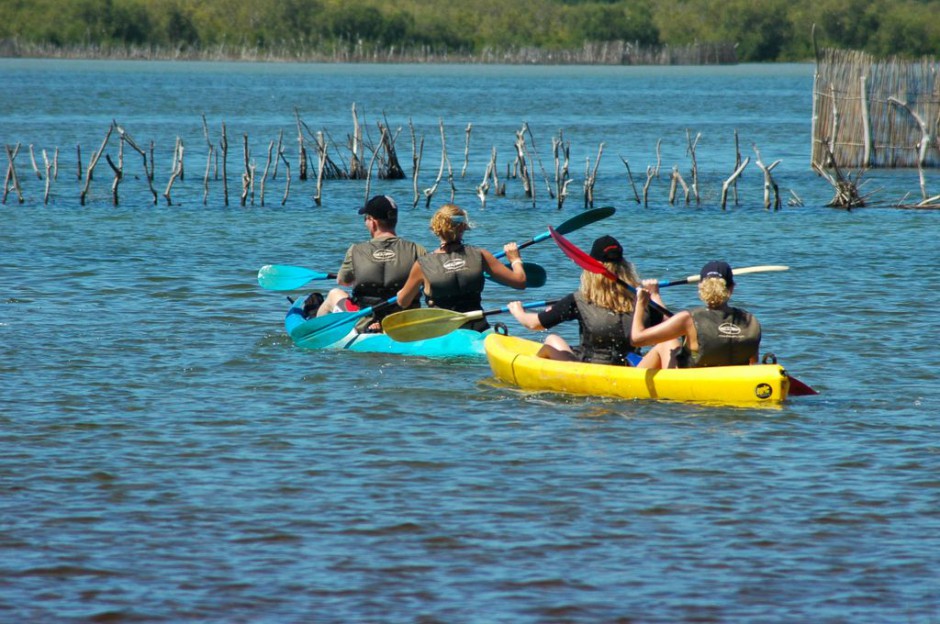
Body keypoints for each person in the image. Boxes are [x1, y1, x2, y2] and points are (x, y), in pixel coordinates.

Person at [507, 234, 666, 365]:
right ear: (625, 267)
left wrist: (518, 311)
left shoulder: (579, 300)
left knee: (551, 340)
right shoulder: (640, 299)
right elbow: (668, 328)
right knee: (666, 345)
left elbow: (534, 324)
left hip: (590, 368)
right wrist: (655, 296)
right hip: (632, 366)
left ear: (590, 268)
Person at [395, 203, 526, 332]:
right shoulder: (480, 255)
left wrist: (404, 292)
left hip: (441, 333)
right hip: (477, 329)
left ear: (436, 228)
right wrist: (515, 260)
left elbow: (403, 302)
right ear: (463, 227)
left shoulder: (423, 264)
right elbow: (520, 281)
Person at [309, 195, 427, 332]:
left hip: (365, 321)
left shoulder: (355, 251)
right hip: (405, 321)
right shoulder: (418, 250)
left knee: (334, 294)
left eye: (366, 218)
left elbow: (342, 281)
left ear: (372, 222)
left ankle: (316, 332)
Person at [630, 260, 761, 369]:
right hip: (734, 380)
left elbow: (637, 339)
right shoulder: (750, 321)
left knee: (667, 342)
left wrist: (641, 304)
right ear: (731, 288)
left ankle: (632, 379)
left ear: (701, 288)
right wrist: (656, 296)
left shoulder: (688, 319)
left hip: (694, 383)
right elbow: (753, 363)